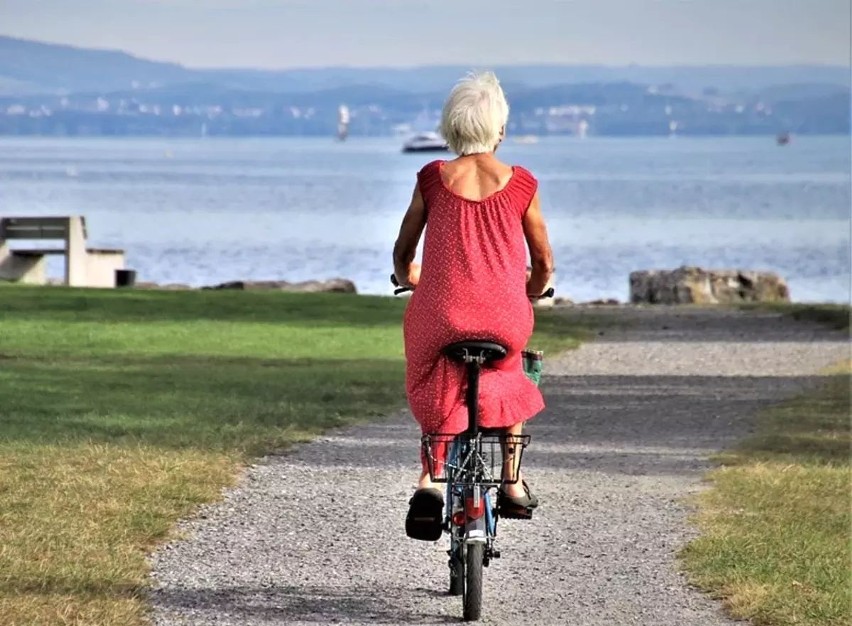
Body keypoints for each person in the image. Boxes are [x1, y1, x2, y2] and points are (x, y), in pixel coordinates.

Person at [392, 71, 554, 541]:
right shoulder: (522, 183)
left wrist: (410, 279)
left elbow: (404, 253)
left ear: (450, 128)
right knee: (511, 370)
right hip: (503, 317)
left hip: (441, 314)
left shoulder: (432, 178)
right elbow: (542, 259)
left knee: (434, 368)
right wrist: (534, 289)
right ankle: (511, 479)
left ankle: (430, 480)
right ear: (499, 129)